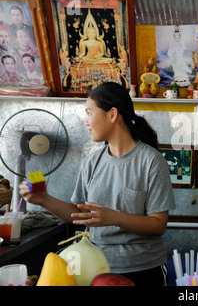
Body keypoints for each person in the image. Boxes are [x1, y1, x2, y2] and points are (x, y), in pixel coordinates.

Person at [19, 82, 176, 286]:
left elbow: (158, 224)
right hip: (96, 269)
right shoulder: (92, 162)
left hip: (143, 269)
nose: (86, 122)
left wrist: (114, 217)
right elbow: (79, 214)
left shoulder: (152, 161)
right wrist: (44, 199)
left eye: (90, 113)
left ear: (112, 115)